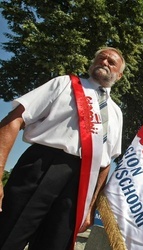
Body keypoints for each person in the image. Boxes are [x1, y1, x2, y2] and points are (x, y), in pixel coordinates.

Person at [0, 47, 125, 250]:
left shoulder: (117, 113)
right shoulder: (65, 83)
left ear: (119, 76)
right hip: (40, 168)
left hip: (79, 186)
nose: (104, 62)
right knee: (8, 236)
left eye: (111, 62)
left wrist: (90, 207)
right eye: (101, 58)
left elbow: (106, 162)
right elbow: (14, 119)